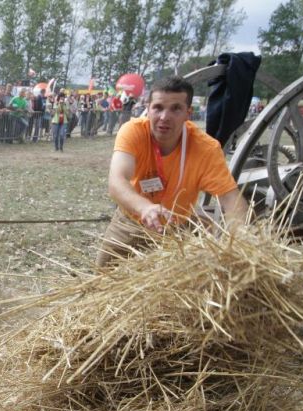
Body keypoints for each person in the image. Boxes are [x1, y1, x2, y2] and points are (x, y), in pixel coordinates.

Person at [95, 76, 249, 268]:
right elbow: (117, 181)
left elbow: (231, 198)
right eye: (158, 107)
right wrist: (145, 208)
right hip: (130, 223)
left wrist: (242, 238)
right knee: (102, 281)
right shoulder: (133, 132)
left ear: (188, 113)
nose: (164, 117)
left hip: (175, 233)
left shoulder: (206, 149)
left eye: (176, 109)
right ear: (148, 108)